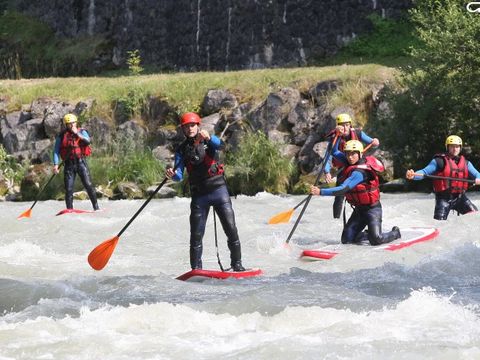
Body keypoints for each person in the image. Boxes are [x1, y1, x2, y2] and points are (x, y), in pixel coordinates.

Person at [165, 112, 245, 271]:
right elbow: (179, 175)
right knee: (196, 236)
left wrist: (209, 137)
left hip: (219, 190)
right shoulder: (182, 150)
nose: (190, 129)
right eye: (186, 126)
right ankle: (196, 270)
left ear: (198, 126)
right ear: (183, 129)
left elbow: (221, 146)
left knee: (231, 229)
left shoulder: (209, 140)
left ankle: (237, 265)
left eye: (192, 125)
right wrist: (173, 176)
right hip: (199, 195)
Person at [311, 139, 401, 245]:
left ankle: (395, 233)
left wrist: (320, 192)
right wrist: (338, 134)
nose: (350, 157)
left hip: (372, 209)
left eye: (353, 154)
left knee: (376, 239)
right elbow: (334, 151)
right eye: (348, 154)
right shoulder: (348, 161)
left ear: (360, 154)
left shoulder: (360, 172)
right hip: (359, 210)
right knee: (346, 240)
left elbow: (343, 189)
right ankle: (368, 234)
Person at [405, 135, 480, 220]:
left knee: (475, 216)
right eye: (452, 146)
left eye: (457, 146)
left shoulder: (466, 163)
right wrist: (413, 175)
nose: (455, 149)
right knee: (439, 223)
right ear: (447, 147)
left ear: (460, 148)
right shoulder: (439, 161)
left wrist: (478, 179)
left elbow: (477, 174)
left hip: (460, 197)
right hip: (444, 199)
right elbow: (424, 172)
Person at [323, 113, 380, 219]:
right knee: (339, 194)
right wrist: (327, 172)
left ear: (350, 125)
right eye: (341, 125)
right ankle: (336, 219)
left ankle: (366, 212)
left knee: (361, 190)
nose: (344, 128)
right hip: (344, 168)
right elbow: (329, 155)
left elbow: (373, 142)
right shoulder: (335, 138)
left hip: (359, 168)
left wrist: (375, 142)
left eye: (346, 125)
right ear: (337, 126)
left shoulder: (358, 133)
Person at [53, 113, 99, 211]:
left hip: (81, 162)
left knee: (88, 185)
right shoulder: (61, 136)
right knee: (69, 189)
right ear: (66, 124)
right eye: (69, 123)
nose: (72, 125)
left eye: (73, 123)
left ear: (76, 122)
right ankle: (69, 209)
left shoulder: (82, 132)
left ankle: (96, 208)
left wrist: (76, 134)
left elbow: (87, 141)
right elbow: (56, 151)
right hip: (69, 165)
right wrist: (56, 164)